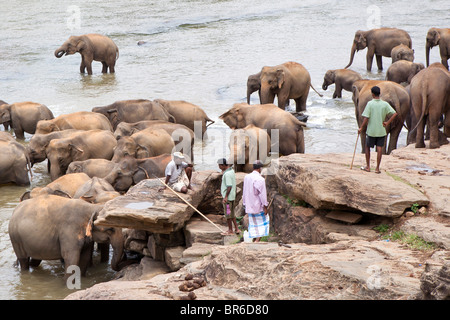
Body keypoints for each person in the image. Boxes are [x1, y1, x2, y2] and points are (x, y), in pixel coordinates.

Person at [358, 86, 398, 174]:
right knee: (379, 148)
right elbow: (395, 114)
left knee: (367, 147)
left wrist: (361, 127)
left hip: (371, 131)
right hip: (381, 130)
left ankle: (368, 167)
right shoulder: (384, 104)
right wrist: (387, 123)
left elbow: (366, 117)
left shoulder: (370, 104)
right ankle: (377, 168)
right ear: (379, 94)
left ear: (372, 94)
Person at [242, 160, 269, 242]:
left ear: (253, 167)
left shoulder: (247, 177)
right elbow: (262, 194)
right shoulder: (260, 179)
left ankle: (253, 239)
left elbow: (244, 190)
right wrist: (265, 206)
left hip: (249, 204)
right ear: (260, 169)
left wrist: (244, 203)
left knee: (253, 223)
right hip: (257, 205)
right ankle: (257, 240)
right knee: (264, 221)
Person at [217, 158, 239, 235]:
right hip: (232, 196)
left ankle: (230, 230)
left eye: (219, 165)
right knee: (232, 214)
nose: (219, 167)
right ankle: (236, 229)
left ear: (223, 165)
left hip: (228, 199)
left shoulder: (227, 174)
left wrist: (225, 197)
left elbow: (229, 186)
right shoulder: (231, 171)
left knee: (228, 214)